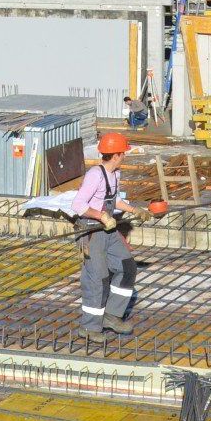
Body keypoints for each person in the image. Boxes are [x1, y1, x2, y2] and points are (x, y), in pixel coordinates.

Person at [73, 132, 138, 341]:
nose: (124, 156)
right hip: (92, 231)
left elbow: (114, 200)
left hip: (108, 230)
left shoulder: (114, 174)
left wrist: (135, 210)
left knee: (127, 267)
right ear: (117, 155)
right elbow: (78, 206)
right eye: (124, 153)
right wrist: (101, 215)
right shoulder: (95, 175)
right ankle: (90, 327)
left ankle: (111, 315)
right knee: (98, 278)